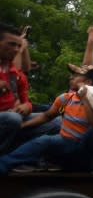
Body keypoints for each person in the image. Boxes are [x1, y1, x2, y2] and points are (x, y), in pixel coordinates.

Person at [0, 66, 93, 175]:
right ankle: (8, 162)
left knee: (47, 140)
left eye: (76, 76)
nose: (71, 78)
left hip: (85, 149)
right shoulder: (66, 99)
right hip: (65, 145)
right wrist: (23, 125)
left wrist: (84, 97)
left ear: (88, 82)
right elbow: (47, 116)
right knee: (46, 137)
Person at [0, 23, 60, 154]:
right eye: (11, 44)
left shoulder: (14, 71)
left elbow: (25, 100)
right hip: (8, 118)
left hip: (14, 119)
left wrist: (27, 106)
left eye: (19, 46)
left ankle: (14, 154)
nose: (16, 49)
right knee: (12, 119)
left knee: (60, 121)